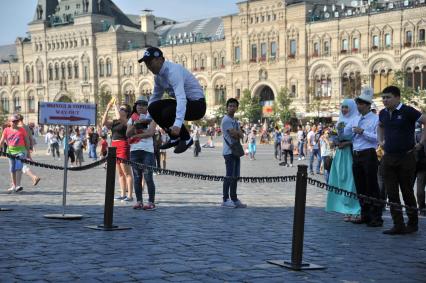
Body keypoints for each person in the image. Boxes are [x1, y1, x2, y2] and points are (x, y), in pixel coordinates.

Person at [138, 47, 206, 154]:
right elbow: (155, 96)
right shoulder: (158, 77)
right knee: (153, 108)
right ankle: (175, 138)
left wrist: (178, 124)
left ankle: (186, 138)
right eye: (146, 64)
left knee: (167, 112)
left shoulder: (173, 71)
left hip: (197, 106)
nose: (149, 67)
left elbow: (181, 98)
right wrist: (148, 117)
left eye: (150, 62)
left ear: (160, 59)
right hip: (186, 104)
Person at [378, 85, 426, 235]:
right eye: (383, 98)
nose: (385, 100)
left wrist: (421, 143)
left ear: (397, 97)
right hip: (388, 157)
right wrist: (381, 141)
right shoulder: (383, 113)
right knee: (391, 193)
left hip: (406, 157)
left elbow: (425, 121)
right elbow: (379, 126)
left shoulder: (408, 110)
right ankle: (397, 224)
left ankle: (412, 224)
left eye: (388, 97)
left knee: (406, 191)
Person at [349, 88, 383, 227]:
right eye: (358, 103)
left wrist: (363, 132)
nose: (359, 106)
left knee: (372, 186)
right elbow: (349, 135)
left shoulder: (376, 119)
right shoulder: (355, 118)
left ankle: (376, 216)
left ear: (368, 105)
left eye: (362, 103)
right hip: (356, 153)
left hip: (368, 153)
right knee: (360, 186)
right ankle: (365, 214)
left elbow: (378, 139)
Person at [326, 99, 361, 221]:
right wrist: (334, 140)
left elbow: (358, 138)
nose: (344, 109)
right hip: (340, 155)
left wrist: (346, 143)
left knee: (351, 182)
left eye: (347, 107)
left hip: (350, 154)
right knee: (341, 181)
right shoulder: (340, 120)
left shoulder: (356, 120)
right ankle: (345, 209)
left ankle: (355, 209)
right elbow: (335, 134)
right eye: (343, 107)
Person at [127, 96, 157, 210]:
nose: (140, 106)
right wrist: (135, 124)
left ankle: (151, 202)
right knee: (137, 177)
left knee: (148, 177)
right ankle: (139, 201)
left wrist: (136, 135)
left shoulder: (152, 117)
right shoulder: (132, 118)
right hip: (134, 150)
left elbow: (150, 133)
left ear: (147, 106)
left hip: (147, 151)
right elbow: (127, 133)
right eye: (138, 104)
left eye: (143, 104)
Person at [102, 100, 134, 202]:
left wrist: (115, 105)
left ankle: (130, 195)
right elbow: (104, 123)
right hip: (114, 146)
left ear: (127, 112)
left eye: (123, 109)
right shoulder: (115, 122)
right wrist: (107, 109)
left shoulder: (127, 121)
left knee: (126, 172)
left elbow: (120, 118)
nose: (120, 110)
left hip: (123, 145)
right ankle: (122, 194)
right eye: (120, 109)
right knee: (120, 173)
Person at [221, 98, 246, 208]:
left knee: (235, 176)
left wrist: (238, 133)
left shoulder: (235, 121)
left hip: (235, 151)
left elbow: (241, 135)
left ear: (237, 108)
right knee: (229, 176)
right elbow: (235, 134)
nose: (232, 107)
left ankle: (234, 198)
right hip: (229, 152)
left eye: (234, 106)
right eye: (230, 105)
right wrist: (238, 133)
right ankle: (225, 199)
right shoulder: (226, 120)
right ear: (227, 107)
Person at [0, 114, 30, 193]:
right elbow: (2, 140)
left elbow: (26, 141)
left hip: (21, 151)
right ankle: (14, 185)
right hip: (10, 152)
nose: (15, 122)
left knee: (18, 167)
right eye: (13, 121)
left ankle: (18, 185)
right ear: (9, 122)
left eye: (17, 121)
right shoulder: (6, 130)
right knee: (12, 169)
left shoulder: (22, 130)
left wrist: (28, 153)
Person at [415, 122, 426, 216]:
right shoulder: (422, 134)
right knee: (420, 189)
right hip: (422, 165)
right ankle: (421, 208)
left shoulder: (409, 134)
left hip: (413, 164)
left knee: (419, 189)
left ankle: (420, 207)